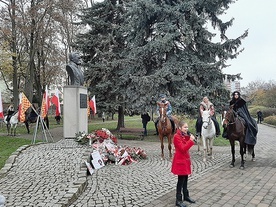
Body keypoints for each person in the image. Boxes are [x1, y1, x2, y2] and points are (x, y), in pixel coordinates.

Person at [171, 120, 196, 207]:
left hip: (185, 160)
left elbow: (186, 143)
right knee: (180, 180)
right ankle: (178, 200)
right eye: (185, 127)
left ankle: (186, 196)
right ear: (180, 128)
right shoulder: (176, 136)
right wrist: (191, 141)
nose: (186, 129)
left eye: (187, 127)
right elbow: (183, 148)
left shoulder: (183, 135)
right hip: (180, 161)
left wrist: (190, 138)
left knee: (185, 179)